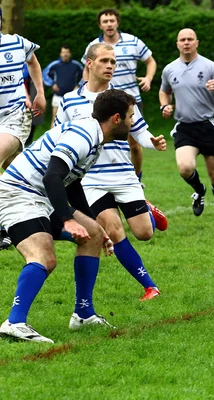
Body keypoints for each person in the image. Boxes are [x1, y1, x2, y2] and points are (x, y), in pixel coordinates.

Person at [0, 89, 135, 343]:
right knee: (43, 257)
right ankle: (14, 322)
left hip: (40, 195)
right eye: (130, 116)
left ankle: (83, 314)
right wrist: (69, 219)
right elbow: (53, 176)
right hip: (18, 193)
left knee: (93, 235)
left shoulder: (94, 138)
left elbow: (71, 183)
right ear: (116, 118)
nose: (132, 121)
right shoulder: (84, 135)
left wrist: (91, 222)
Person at [56, 43, 168, 301]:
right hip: (91, 179)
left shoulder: (122, 98)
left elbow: (139, 131)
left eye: (113, 62)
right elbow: (60, 134)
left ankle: (148, 209)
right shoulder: (70, 100)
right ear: (89, 63)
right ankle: (150, 287)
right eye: (105, 61)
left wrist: (153, 142)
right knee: (115, 231)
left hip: (123, 175)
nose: (110, 66)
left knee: (144, 233)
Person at [159, 28, 214, 228]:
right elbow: (164, 91)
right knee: (185, 168)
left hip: (208, 125)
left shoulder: (209, 66)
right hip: (185, 126)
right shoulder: (169, 69)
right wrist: (164, 105)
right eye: (182, 40)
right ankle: (199, 190)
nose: (186, 43)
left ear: (196, 43)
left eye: (190, 39)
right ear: (177, 44)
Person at [81, 8, 157, 184]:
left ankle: (135, 179)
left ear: (117, 23)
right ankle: (99, 180)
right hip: (103, 102)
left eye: (112, 21)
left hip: (130, 101)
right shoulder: (93, 46)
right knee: (103, 143)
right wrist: (86, 88)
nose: (109, 24)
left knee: (134, 145)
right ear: (100, 25)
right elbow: (87, 69)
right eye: (105, 21)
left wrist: (148, 77)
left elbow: (150, 61)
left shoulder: (133, 41)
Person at [0, 12, 46, 252]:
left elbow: (33, 61)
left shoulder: (16, 42)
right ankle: (54, 204)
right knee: (22, 172)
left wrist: (40, 91)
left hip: (15, 116)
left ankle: (1, 230)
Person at [42, 45, 84, 123]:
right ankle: (54, 135)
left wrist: (79, 85)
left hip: (73, 97)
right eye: (63, 52)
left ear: (70, 53)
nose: (65, 54)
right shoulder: (55, 64)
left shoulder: (76, 65)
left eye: (67, 52)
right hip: (58, 96)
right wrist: (52, 84)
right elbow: (44, 74)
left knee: (73, 120)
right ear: (60, 54)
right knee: (55, 120)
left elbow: (85, 74)